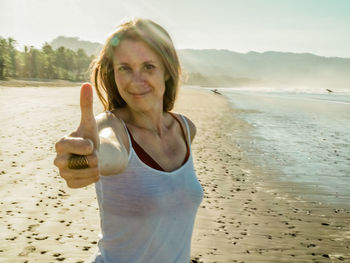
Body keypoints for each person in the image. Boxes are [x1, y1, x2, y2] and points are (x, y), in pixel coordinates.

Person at [54, 18, 203, 263]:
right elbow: (109, 153)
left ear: (167, 71)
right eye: (124, 68)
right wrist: (83, 159)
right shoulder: (110, 126)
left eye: (148, 67)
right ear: (113, 73)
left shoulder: (186, 129)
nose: (136, 80)